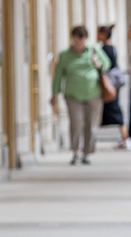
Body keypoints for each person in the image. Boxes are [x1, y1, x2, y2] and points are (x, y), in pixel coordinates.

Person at [51, 25, 107, 165]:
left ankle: (86, 153)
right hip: (73, 95)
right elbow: (58, 76)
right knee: (76, 123)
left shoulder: (94, 50)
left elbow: (107, 64)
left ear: (86, 40)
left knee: (91, 124)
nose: (78, 44)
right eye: (76, 41)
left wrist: (98, 63)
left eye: (81, 41)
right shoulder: (65, 56)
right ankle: (75, 151)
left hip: (93, 94)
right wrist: (55, 94)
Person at [97, 25, 125, 133]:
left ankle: (125, 137)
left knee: (114, 108)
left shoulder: (105, 49)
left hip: (109, 82)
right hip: (113, 81)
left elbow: (106, 66)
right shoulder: (111, 47)